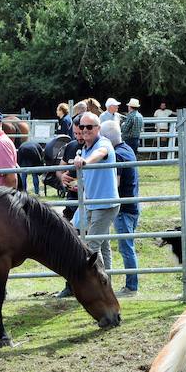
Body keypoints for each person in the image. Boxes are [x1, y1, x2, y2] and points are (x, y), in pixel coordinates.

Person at [68, 112, 118, 278]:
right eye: (82, 127)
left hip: (105, 205)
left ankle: (96, 283)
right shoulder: (85, 148)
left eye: (89, 127)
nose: (85, 130)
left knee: (91, 246)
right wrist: (74, 179)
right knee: (101, 245)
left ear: (98, 128)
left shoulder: (103, 143)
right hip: (91, 204)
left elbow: (102, 153)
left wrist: (85, 162)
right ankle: (105, 281)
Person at [101, 119, 139, 295]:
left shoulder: (118, 155)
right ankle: (131, 285)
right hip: (131, 205)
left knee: (126, 248)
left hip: (123, 209)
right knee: (127, 246)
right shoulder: (127, 149)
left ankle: (132, 287)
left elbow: (114, 183)